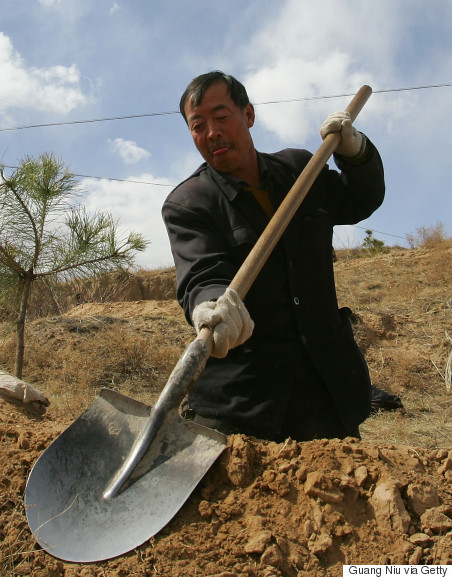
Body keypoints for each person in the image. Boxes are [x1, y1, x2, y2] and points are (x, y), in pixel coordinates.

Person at [161, 71, 385, 442]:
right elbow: (202, 272)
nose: (212, 132)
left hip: (325, 392)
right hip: (241, 399)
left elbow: (361, 199)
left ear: (248, 114)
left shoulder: (300, 169)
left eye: (221, 117)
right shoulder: (189, 202)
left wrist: (355, 152)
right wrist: (211, 305)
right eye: (197, 125)